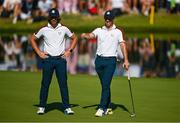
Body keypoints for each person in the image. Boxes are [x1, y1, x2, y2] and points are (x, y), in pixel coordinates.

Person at [81, 10, 129, 117]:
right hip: (99, 61)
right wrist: (85, 35)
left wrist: (126, 60)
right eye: (106, 18)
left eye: (109, 19)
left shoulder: (117, 32)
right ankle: (108, 106)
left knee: (106, 84)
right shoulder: (99, 30)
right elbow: (92, 35)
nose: (107, 20)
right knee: (104, 85)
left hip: (111, 61)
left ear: (112, 19)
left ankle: (102, 108)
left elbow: (122, 45)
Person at [30, 8, 77, 115]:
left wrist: (69, 50)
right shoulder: (44, 29)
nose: (53, 19)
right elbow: (32, 39)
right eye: (52, 17)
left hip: (60, 60)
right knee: (45, 84)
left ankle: (67, 107)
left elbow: (75, 38)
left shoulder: (64, 28)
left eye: (55, 17)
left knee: (63, 84)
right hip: (48, 60)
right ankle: (42, 106)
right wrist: (39, 53)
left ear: (58, 17)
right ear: (49, 18)